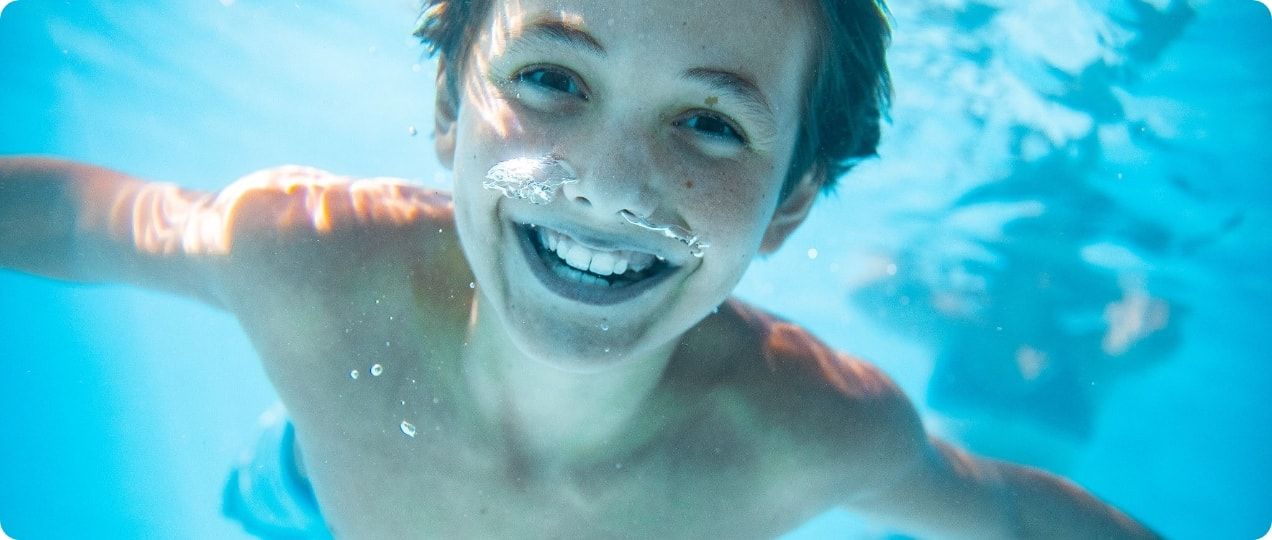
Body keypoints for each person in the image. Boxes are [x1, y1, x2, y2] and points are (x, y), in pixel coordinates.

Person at [0, 0, 1160, 537]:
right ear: (452, 109)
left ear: (791, 203)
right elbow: (81, 216)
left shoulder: (801, 431)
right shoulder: (308, 266)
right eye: (552, 78)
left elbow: (1002, 510)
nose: (606, 184)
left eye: (710, 122)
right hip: (314, 498)